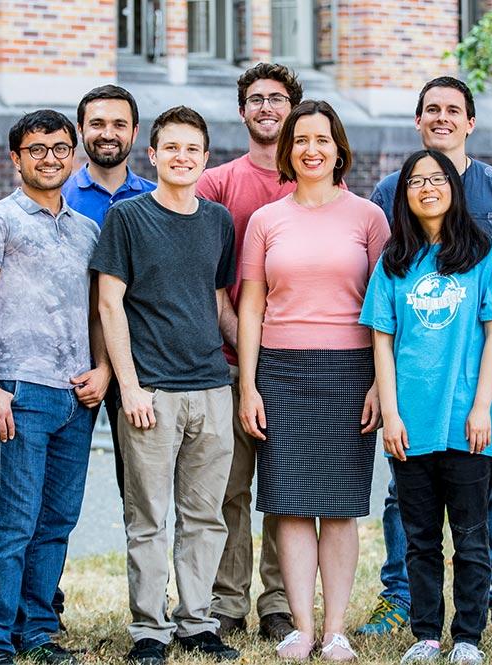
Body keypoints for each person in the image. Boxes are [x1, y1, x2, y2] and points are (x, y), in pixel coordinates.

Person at [362, 76, 492, 637]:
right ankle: (402, 598)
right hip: (412, 387)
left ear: (470, 122)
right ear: (418, 121)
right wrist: (381, 388)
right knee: (404, 495)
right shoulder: (390, 191)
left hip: (481, 378)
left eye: (453, 110)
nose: (442, 118)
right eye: (431, 110)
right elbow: (383, 300)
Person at [236, 100, 386, 662]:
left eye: (322, 139)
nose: (311, 149)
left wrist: (378, 381)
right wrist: (249, 385)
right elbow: (251, 308)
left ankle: (338, 628)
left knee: (340, 505)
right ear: (287, 151)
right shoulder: (266, 221)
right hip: (280, 369)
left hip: (350, 372)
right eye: (301, 140)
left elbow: (384, 310)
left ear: (338, 148)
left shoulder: (369, 218)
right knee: (292, 503)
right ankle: (301, 627)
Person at [0, 109, 108, 665]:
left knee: (56, 521)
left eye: (60, 148)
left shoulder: (86, 229)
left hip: (76, 393)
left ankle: (38, 630)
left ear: (74, 155)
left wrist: (103, 370)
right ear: (16, 158)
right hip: (18, 390)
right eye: (37, 148)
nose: (50, 157)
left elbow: (97, 312)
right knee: (14, 519)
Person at [92, 106, 239, 665]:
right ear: (152, 155)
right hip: (150, 390)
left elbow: (220, 302)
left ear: (205, 158)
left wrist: (250, 369)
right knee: (149, 517)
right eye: (170, 148)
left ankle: (197, 622)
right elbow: (110, 303)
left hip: (211, 387)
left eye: (192, 149)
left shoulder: (218, 221)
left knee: (205, 515)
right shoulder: (127, 218)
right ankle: (148, 630)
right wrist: (128, 386)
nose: (181, 157)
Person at [195, 62, 301, 642]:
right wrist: (245, 347)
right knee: (229, 491)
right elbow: (206, 282)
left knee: (283, 492)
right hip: (227, 361)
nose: (267, 108)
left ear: (293, 108)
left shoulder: (312, 179)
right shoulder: (216, 183)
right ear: (242, 111)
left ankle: (280, 603)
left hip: (291, 367)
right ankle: (227, 601)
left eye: (278, 99)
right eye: (256, 99)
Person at [62, 83, 157, 499]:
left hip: (137, 361)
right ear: (81, 129)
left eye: (119, 124)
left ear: (135, 132)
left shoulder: (156, 200)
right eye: (97, 123)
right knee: (56, 498)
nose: (108, 133)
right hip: (67, 363)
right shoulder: (58, 197)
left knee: (138, 493)